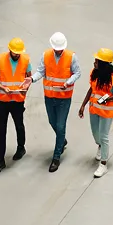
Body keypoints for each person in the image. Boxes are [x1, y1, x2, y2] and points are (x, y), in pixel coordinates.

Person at [31, 32, 81, 173]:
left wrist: (68, 82)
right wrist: (32, 79)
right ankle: (62, 140)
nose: (58, 51)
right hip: (49, 96)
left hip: (64, 98)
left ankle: (56, 157)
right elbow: (40, 71)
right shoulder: (46, 55)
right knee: (52, 122)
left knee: (60, 125)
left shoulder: (71, 57)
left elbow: (77, 73)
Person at [0, 38, 32, 175]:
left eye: (19, 53)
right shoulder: (0, 60)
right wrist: (2, 87)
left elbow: (29, 77)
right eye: (15, 53)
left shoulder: (25, 60)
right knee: (1, 131)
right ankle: (0, 159)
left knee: (19, 125)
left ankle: (21, 148)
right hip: (3, 100)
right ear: (10, 51)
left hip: (18, 100)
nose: (17, 55)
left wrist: (25, 87)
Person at [78, 49, 113, 179]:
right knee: (95, 134)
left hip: (106, 112)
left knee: (104, 136)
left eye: (97, 61)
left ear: (103, 63)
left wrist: (108, 98)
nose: (94, 63)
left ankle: (103, 164)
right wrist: (83, 105)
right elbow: (91, 89)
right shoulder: (94, 73)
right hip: (94, 109)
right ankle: (100, 146)